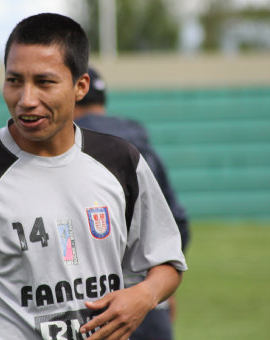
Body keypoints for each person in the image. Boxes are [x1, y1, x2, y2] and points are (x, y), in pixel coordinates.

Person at [0, 13, 187, 340]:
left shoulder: (121, 161)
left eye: (44, 82)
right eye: (14, 80)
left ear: (80, 86)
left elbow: (166, 261)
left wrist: (144, 296)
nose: (26, 100)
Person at [74, 67, 191, 340]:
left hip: (89, 306)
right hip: (147, 302)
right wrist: (159, 285)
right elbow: (177, 223)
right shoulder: (141, 146)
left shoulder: (66, 148)